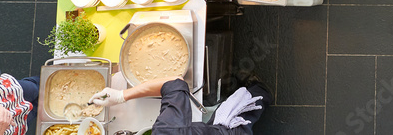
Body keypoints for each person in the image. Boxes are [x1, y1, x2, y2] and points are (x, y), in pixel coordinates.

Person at [90, 76, 270, 135]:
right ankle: (262, 91)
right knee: (252, 102)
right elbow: (175, 82)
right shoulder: (167, 130)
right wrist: (122, 95)